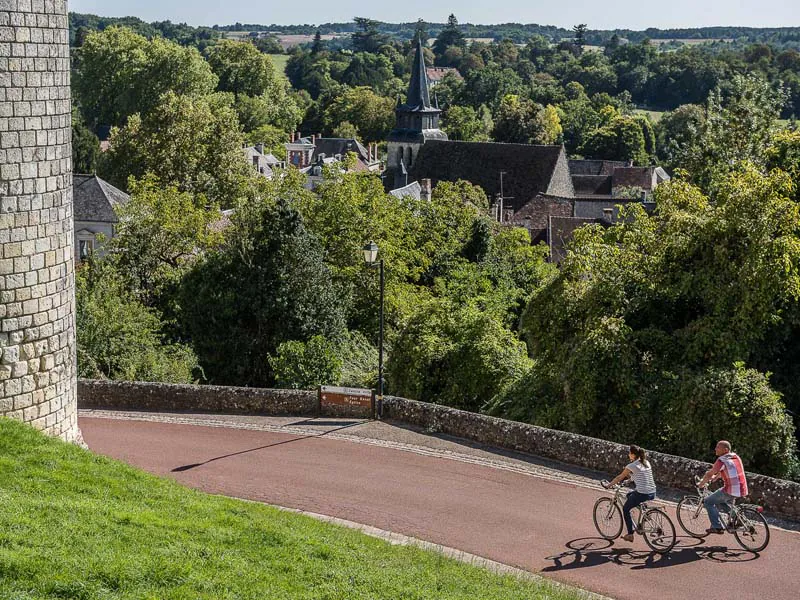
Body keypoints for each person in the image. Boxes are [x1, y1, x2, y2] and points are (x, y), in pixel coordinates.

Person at [606, 445, 657, 542]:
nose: (628, 455)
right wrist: (629, 480)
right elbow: (639, 475)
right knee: (629, 495)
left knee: (625, 509)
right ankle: (645, 512)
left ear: (633, 455)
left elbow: (619, 477)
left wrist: (609, 485)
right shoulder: (646, 462)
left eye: (629, 453)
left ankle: (630, 534)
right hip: (652, 492)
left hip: (642, 493)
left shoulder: (631, 466)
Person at [697, 440, 749, 535]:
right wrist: (716, 477)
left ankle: (717, 527)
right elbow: (727, 470)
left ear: (725, 450)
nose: (715, 449)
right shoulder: (735, 457)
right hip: (742, 488)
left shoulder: (722, 460)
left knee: (708, 501)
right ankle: (739, 519)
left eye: (718, 447)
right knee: (720, 501)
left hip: (731, 490)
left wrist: (701, 483)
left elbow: (709, 474)